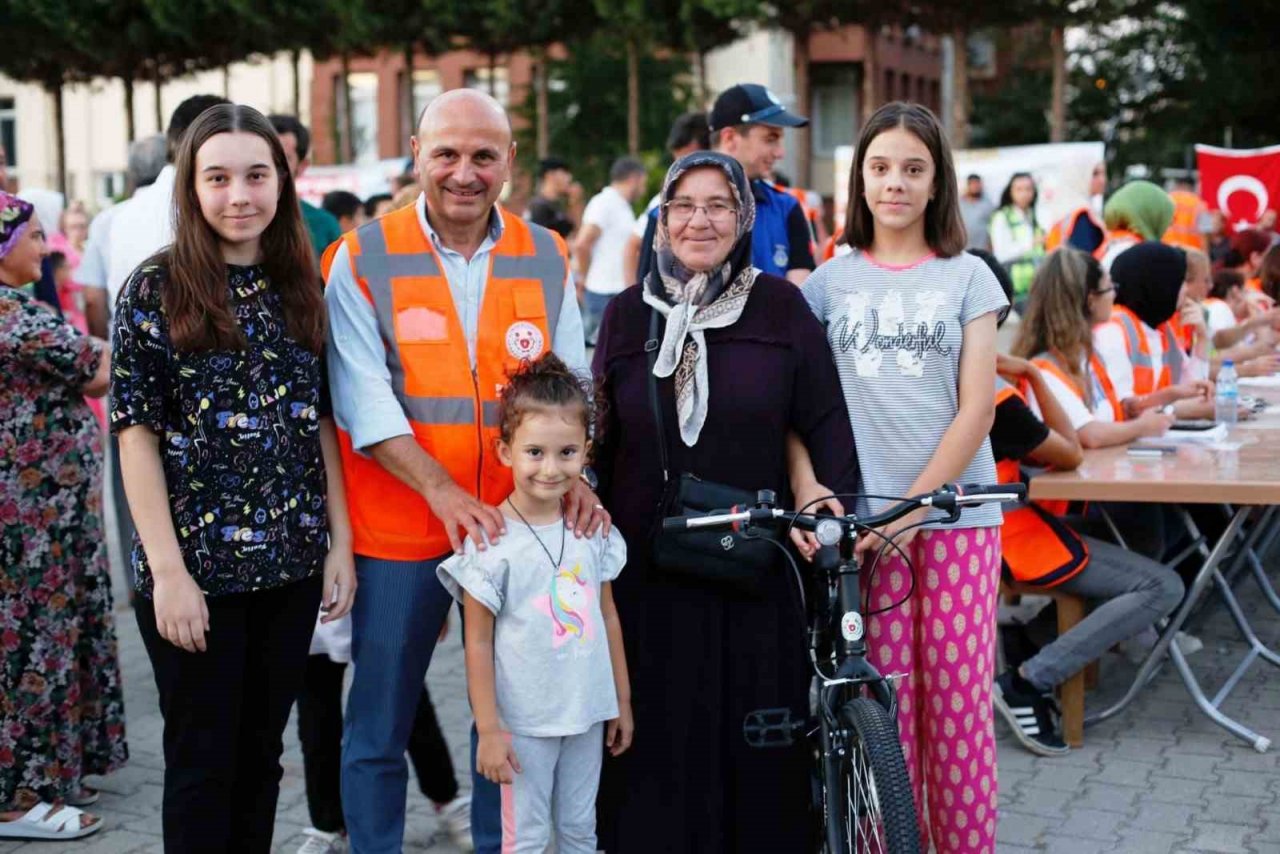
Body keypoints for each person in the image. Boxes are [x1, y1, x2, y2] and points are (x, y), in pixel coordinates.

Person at [322, 88, 599, 854]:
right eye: (446, 153)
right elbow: (360, 398)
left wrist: (576, 483)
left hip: (517, 527)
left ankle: (497, 845)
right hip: (402, 527)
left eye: (484, 156)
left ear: (509, 161)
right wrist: (443, 493)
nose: (464, 173)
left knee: (503, 716)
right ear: (417, 154)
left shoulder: (545, 255)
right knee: (379, 718)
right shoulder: (360, 257)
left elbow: (571, 386)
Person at [592, 149, 857, 852]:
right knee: (655, 742)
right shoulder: (625, 316)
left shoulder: (780, 308)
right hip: (648, 576)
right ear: (661, 219)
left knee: (758, 748)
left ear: (744, 218)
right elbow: (597, 438)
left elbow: (824, 420)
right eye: (683, 205)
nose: (699, 220)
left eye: (718, 205)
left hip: (755, 567)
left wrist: (824, 502)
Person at [111, 104, 355, 851]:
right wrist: (169, 572)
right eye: (218, 178)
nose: (239, 195)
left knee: (262, 759)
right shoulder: (155, 290)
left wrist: (339, 543)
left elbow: (319, 421)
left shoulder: (300, 289)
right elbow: (136, 437)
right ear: (192, 186)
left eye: (256, 175)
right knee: (200, 763)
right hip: (196, 577)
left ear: (281, 183)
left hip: (289, 567)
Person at [798, 101, 1007, 853]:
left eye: (913, 169)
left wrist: (909, 517)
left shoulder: (969, 278)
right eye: (880, 167)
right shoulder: (825, 286)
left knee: (956, 715)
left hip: (956, 522)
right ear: (859, 178)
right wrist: (831, 507)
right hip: (861, 533)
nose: (895, 183)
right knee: (887, 715)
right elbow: (801, 413)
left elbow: (977, 410)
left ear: (936, 181)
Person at [970, 249, 1184, 757]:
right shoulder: (1000, 394)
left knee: (1140, 536)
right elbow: (1068, 451)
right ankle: (1027, 680)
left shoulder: (933, 383)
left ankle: (1035, 641)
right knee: (1161, 585)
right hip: (1009, 534)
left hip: (994, 524)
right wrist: (1036, 378)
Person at [438, 354, 631, 854]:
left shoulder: (593, 532)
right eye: (535, 453)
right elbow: (477, 642)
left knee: (579, 832)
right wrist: (488, 730)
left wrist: (621, 701)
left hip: (587, 713)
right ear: (505, 452)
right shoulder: (490, 546)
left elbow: (607, 615)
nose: (551, 468)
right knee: (523, 839)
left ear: (587, 452)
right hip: (523, 726)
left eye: (567, 452)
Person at [0, 192, 126, 841]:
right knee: (31, 646)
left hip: (36, 520)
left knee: (34, 643)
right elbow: (103, 369)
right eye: (32, 235)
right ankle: (20, 797)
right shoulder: (14, 314)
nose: (44, 246)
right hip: (31, 528)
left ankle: (46, 772)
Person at [707, 83, 816, 283]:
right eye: (770, 139)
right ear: (730, 138)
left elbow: (800, 298)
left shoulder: (787, 208)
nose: (780, 153)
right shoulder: (671, 210)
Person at [1093, 243, 1215, 420]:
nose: (1186, 290)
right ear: (1159, 284)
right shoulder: (1113, 332)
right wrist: (1177, 410)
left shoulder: (1162, 329)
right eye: (1181, 282)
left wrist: (1202, 338)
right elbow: (1123, 410)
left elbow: (1191, 392)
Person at [624, 111, 711, 286]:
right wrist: (632, 299)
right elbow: (633, 246)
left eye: (690, 159)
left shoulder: (745, 199)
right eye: (677, 161)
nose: (682, 169)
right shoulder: (663, 202)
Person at [575, 157, 647, 343]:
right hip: (603, 292)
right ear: (634, 179)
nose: (643, 189)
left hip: (616, 290)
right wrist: (584, 277)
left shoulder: (621, 205)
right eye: (643, 182)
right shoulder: (603, 203)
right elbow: (582, 243)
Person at [269, 115, 343, 260]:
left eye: (283, 158)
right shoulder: (234, 217)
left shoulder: (324, 225)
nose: (268, 165)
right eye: (264, 155)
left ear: (302, 166)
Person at [991, 171, 1045, 307]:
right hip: (1017, 292)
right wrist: (1030, 244)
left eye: (1028, 189)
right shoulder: (1002, 217)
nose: (1024, 193)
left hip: (1039, 287)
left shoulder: (1037, 215)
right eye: (1019, 189)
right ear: (1010, 191)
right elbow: (1002, 254)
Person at [1099, 180, 1174, 270]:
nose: (1170, 224)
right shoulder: (1139, 255)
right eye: (1164, 218)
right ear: (1151, 215)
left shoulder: (1111, 241)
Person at [525, 157, 580, 239]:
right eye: (564, 173)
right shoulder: (539, 206)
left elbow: (575, 233)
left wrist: (574, 200)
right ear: (549, 175)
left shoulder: (557, 205)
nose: (569, 178)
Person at [1163, 177, 1210, 252]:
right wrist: (1205, 254)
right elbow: (1206, 231)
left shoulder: (1165, 200)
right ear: (1192, 187)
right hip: (1191, 253)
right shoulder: (1200, 204)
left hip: (1166, 249)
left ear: (1178, 185)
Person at [960, 173, 996, 251]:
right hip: (963, 248)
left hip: (982, 249)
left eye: (978, 183)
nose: (976, 186)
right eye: (973, 184)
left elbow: (994, 226)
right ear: (968, 185)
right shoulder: (959, 203)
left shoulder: (988, 204)